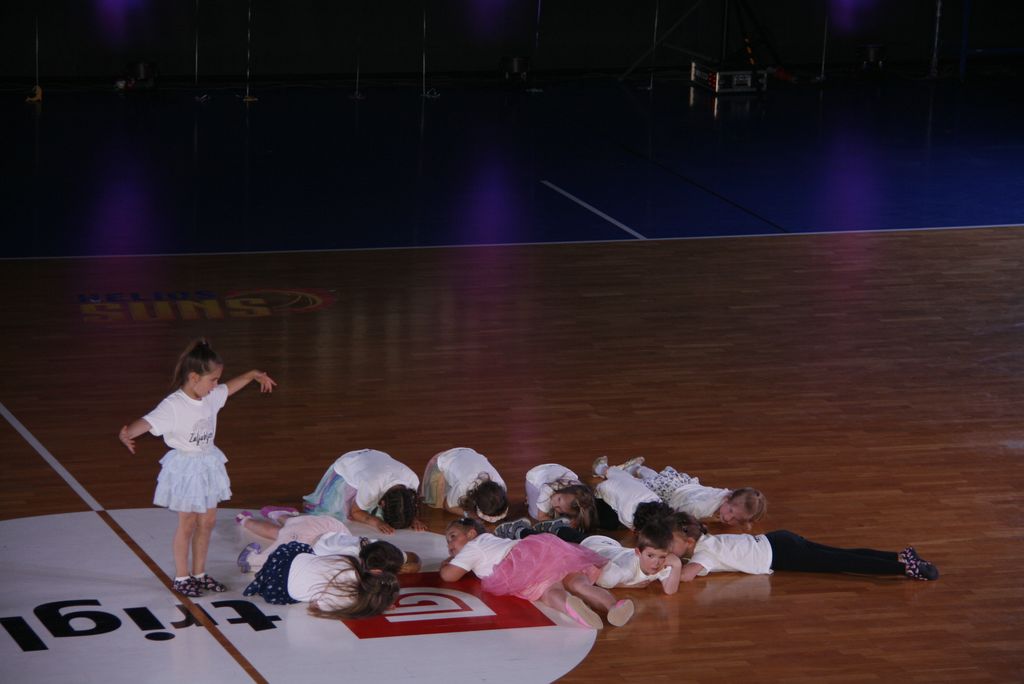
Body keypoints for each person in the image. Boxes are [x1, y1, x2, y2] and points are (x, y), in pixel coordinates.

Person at [117, 338, 276, 597]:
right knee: (188, 523)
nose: (216, 385)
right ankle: (182, 577)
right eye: (212, 380)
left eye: (216, 380)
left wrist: (251, 375)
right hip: (186, 469)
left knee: (207, 522)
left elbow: (228, 388)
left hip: (208, 464)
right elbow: (147, 422)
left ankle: (200, 574)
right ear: (194, 378)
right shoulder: (174, 405)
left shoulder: (209, 396)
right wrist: (127, 434)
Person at [439, 518, 634, 629]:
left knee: (549, 591)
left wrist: (446, 564)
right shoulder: (489, 538)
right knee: (577, 582)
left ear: (471, 534)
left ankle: (569, 605)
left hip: (520, 566)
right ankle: (613, 606)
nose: (450, 545)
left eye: (452, 537)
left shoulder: (472, 548)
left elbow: (449, 576)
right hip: (540, 548)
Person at [669, 512, 940, 582]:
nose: (668, 548)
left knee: (841, 562)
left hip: (782, 554)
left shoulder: (704, 553)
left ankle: (904, 569)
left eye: (671, 544)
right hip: (779, 540)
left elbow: (686, 576)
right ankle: (899, 557)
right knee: (840, 554)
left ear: (689, 542)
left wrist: (667, 564)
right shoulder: (708, 540)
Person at [593, 456, 767, 530]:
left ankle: (637, 468)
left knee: (656, 478)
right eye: (730, 511)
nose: (728, 518)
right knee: (637, 485)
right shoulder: (701, 508)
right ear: (728, 498)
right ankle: (604, 469)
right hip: (671, 493)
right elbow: (680, 513)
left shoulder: (728, 495)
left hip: (681, 483)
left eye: (736, 519)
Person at [235, 508, 420, 575]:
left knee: (293, 524)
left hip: (329, 528)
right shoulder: (354, 566)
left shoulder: (380, 547)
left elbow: (411, 557)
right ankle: (246, 521)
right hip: (309, 543)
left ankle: (278, 514)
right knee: (278, 537)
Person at [243, 541, 400, 619]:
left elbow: (321, 561)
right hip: (278, 588)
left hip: (285, 557)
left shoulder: (349, 561)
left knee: (307, 551)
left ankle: (256, 562)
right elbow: (318, 605)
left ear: (376, 571)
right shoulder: (350, 602)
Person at [303, 448, 427, 534]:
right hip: (349, 462)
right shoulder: (371, 486)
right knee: (340, 509)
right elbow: (355, 512)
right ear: (382, 503)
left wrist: (413, 518)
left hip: (375, 457)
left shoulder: (412, 480)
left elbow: (406, 503)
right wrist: (377, 522)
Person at [581, 520, 683, 595]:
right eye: (650, 556)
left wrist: (677, 565)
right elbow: (599, 580)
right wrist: (628, 585)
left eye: (662, 556)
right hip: (590, 548)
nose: (656, 563)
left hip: (614, 548)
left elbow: (670, 590)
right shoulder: (625, 570)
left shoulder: (663, 563)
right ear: (638, 552)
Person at [421, 447, 509, 523]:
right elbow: (447, 506)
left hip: (467, 454)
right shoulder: (463, 487)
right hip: (444, 459)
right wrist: (468, 514)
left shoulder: (501, 484)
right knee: (436, 503)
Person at [525, 463, 598, 531]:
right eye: (559, 499)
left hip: (553, 469)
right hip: (534, 476)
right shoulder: (547, 491)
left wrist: (576, 521)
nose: (554, 504)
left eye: (559, 508)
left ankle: (535, 499)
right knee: (535, 514)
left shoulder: (580, 491)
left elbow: (583, 509)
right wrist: (561, 525)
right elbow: (541, 517)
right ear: (564, 490)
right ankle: (531, 499)